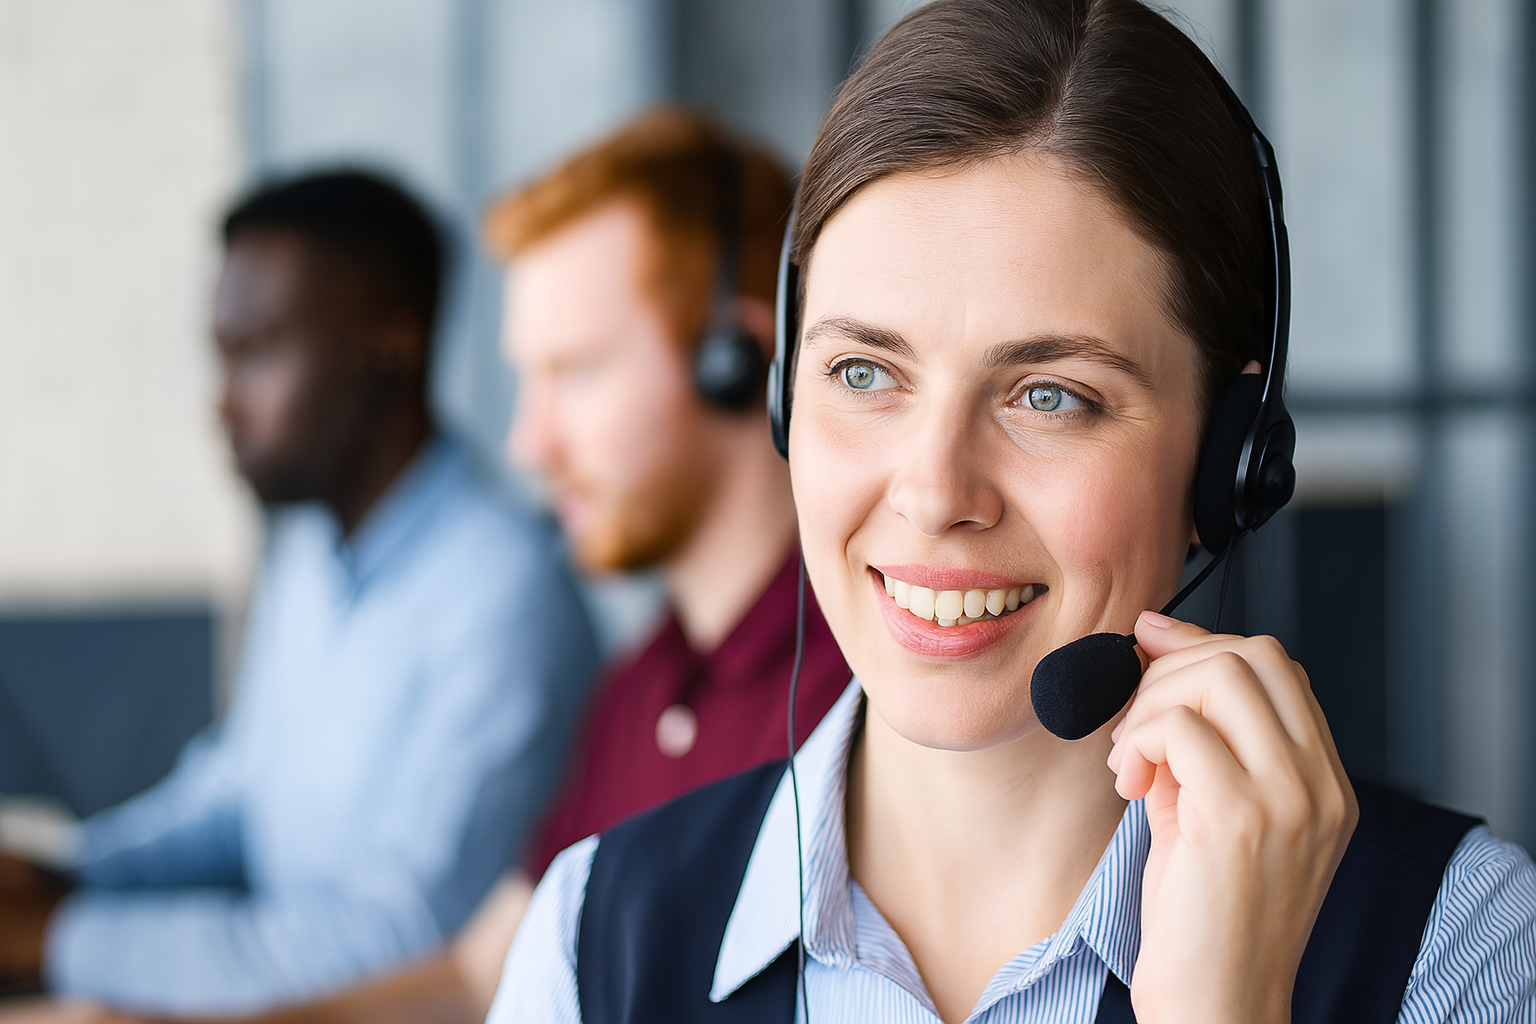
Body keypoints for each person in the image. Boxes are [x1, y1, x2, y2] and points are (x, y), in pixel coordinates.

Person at [489, 3, 1536, 1023]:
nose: (937, 492)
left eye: (1051, 396)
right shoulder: (592, 939)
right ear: (783, 400)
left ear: (1230, 459)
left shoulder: (1457, 939)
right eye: (863, 371)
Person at [0, 113, 852, 1024]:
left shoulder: (864, 691)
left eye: (578, 371)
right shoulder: (636, 692)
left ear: (740, 361)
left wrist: (60, 936)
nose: (528, 443)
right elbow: (477, 974)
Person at [0, 171, 600, 1015]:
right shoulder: (309, 550)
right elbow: (240, 795)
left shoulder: (506, 594)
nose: (223, 404)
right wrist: (62, 873)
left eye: (257, 352)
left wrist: (56, 936)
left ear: (391, 343)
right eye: (222, 355)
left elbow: (407, 941)